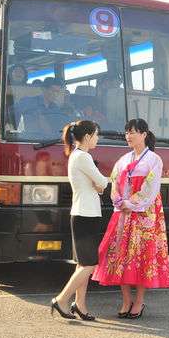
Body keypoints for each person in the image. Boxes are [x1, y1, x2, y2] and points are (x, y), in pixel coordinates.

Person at [92, 118, 169, 319]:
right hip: (123, 215)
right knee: (120, 257)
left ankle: (139, 301)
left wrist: (131, 203)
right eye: (127, 132)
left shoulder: (154, 160)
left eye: (133, 132)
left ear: (144, 134)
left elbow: (151, 189)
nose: (128, 136)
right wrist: (118, 201)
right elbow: (114, 182)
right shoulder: (123, 160)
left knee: (142, 258)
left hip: (144, 215)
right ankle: (126, 299)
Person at [50, 120, 109, 321]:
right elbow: (102, 183)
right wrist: (100, 184)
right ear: (87, 137)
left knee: (83, 263)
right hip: (86, 215)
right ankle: (61, 299)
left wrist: (98, 185)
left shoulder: (78, 156)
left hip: (84, 213)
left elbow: (99, 185)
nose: (98, 139)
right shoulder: (83, 157)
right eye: (96, 135)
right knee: (89, 265)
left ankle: (80, 305)